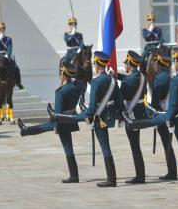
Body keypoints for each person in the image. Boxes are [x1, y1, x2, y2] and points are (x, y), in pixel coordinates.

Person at [127, 47, 178, 188]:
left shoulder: (175, 80)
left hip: (173, 116)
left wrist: (162, 118)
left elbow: (170, 107)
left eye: (175, 60)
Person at [52, 51, 125, 187]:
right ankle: (112, 178)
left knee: (105, 147)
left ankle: (111, 180)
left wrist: (83, 116)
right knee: (106, 146)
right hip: (108, 116)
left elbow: (91, 107)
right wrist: (120, 115)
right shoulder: (113, 80)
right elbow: (119, 100)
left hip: (99, 118)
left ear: (97, 64)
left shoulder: (96, 82)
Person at [17, 61, 82, 183]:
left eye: (61, 72)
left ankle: (74, 176)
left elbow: (57, 113)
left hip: (62, 121)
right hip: (71, 118)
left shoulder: (61, 91)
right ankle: (25, 130)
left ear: (64, 73)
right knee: (50, 130)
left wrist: (57, 127)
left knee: (67, 147)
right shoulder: (77, 87)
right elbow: (80, 84)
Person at [117, 50, 147, 184]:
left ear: (130, 64)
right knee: (137, 146)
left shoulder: (128, 80)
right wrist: (116, 76)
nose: (125, 66)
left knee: (135, 147)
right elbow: (129, 79)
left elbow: (120, 97)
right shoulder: (142, 77)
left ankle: (140, 177)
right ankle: (141, 175)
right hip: (141, 113)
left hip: (131, 114)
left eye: (126, 64)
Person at [150, 50, 177, 180]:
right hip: (173, 113)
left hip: (162, 114)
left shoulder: (159, 78)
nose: (154, 66)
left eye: (155, 63)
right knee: (169, 143)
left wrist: (154, 118)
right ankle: (172, 171)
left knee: (167, 143)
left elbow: (155, 101)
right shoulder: (171, 76)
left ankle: (172, 172)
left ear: (159, 64)